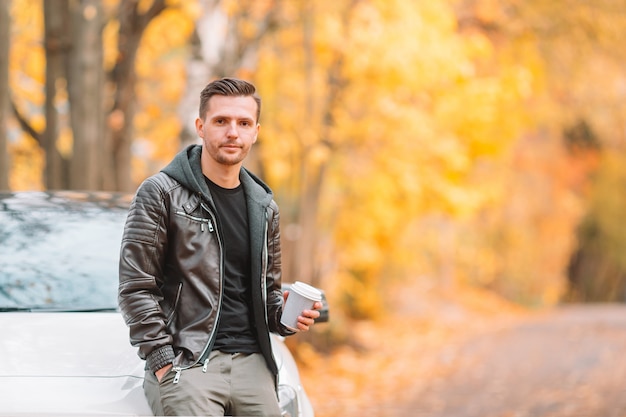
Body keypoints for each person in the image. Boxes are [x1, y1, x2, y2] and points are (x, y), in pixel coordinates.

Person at [118, 77, 322, 416]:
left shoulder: (264, 207)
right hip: (189, 363)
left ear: (256, 131)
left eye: (243, 123)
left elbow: (266, 293)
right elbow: (135, 287)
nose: (233, 133)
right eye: (221, 121)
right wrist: (162, 361)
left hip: (254, 363)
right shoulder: (161, 194)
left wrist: (286, 316)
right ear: (200, 126)